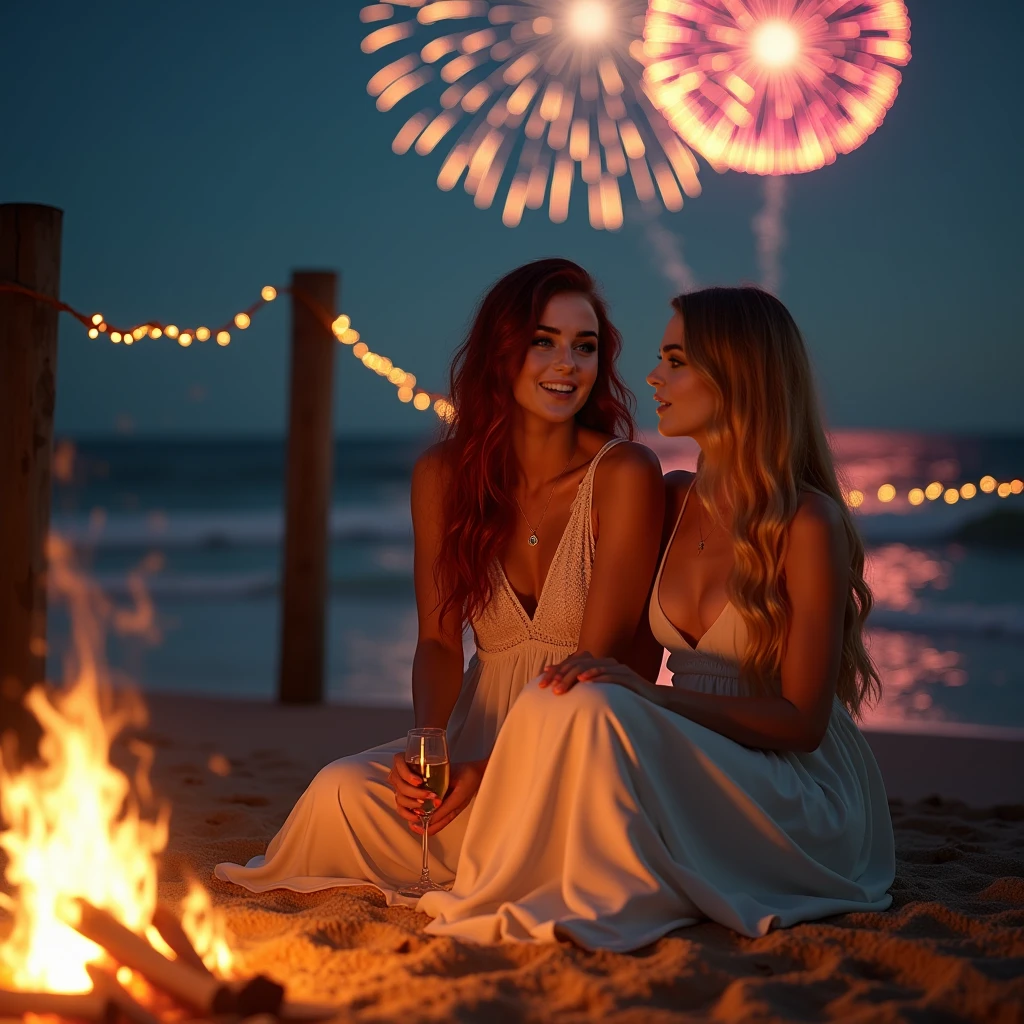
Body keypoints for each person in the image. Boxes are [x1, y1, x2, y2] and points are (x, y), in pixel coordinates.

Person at [420, 286, 896, 949]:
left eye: (675, 360)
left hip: (791, 783)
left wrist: (653, 697)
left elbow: (802, 723)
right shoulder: (672, 500)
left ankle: (582, 900)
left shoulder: (807, 522)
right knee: (571, 698)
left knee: (592, 706)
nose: (652, 377)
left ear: (737, 376)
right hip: (692, 753)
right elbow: (612, 673)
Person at [215, 259, 664, 900]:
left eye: (584, 346)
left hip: (580, 739)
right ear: (502, 351)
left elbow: (596, 662)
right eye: (545, 341)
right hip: (473, 736)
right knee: (340, 788)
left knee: (542, 828)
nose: (567, 363)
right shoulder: (443, 476)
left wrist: (496, 769)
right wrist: (430, 747)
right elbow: (437, 642)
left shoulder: (625, 474)